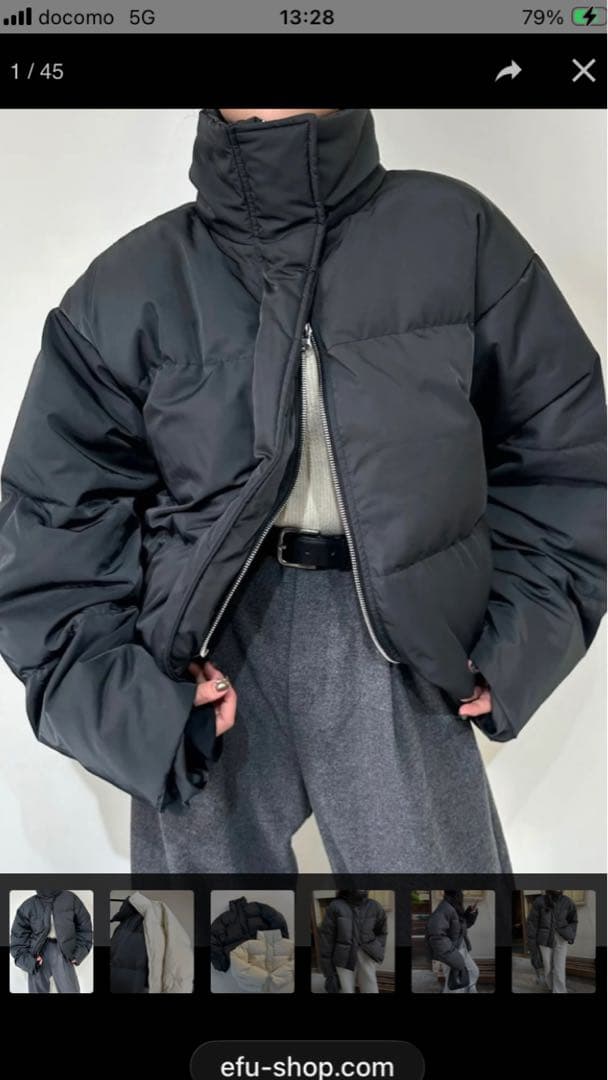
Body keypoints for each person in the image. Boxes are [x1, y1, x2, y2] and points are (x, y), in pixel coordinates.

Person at [0, 108, 605, 874]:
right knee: (208, 937)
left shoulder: (455, 233)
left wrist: (517, 638)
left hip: (398, 640)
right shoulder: (131, 284)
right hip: (203, 650)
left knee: (445, 929)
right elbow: (52, 522)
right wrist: (131, 702)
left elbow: (562, 450)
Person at [318, 889, 388, 994]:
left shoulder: (374, 906)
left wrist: (376, 947)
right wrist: (328, 969)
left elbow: (382, 931)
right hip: (343, 956)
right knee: (346, 989)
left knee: (370, 987)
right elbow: (327, 938)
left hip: (366, 954)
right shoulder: (335, 906)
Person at [425, 890, 480, 994]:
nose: (462, 895)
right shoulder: (444, 909)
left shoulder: (453, 907)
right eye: (460, 893)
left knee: (473, 972)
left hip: (461, 950)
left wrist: (470, 913)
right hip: (452, 953)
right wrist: (452, 956)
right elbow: (436, 936)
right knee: (455, 986)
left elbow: (460, 928)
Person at [526, 889, 578, 994]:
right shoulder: (539, 901)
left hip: (561, 938)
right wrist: (532, 943)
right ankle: (550, 986)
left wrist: (569, 933)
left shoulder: (568, 902)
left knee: (559, 968)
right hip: (544, 939)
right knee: (548, 967)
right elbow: (532, 924)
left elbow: (573, 921)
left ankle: (559, 990)